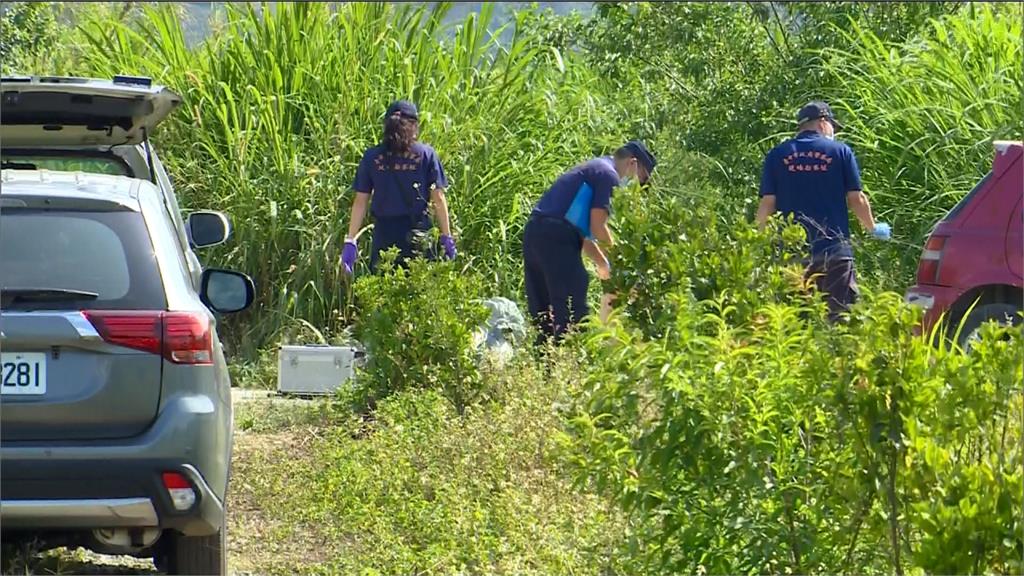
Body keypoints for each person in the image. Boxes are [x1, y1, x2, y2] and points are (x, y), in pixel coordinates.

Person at [756, 100, 891, 322]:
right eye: (833, 126)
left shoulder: (777, 155)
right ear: (822, 122)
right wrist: (873, 228)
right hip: (835, 251)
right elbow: (857, 199)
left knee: (797, 320)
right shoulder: (841, 152)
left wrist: (756, 240)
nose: (834, 132)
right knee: (840, 320)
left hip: (793, 252)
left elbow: (767, 203)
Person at [523, 141, 656, 345]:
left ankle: (546, 366)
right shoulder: (609, 175)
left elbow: (580, 230)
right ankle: (571, 361)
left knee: (546, 311)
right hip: (557, 237)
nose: (636, 185)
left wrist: (603, 263)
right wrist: (621, 261)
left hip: (537, 233)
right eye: (641, 179)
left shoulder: (595, 167)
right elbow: (598, 227)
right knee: (572, 306)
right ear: (633, 164)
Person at [341, 100, 456, 274]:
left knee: (382, 291)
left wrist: (351, 240)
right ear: (414, 126)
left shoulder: (372, 156)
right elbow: (438, 198)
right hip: (419, 233)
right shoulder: (426, 154)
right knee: (420, 292)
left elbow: (360, 201)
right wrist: (446, 236)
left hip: (384, 235)